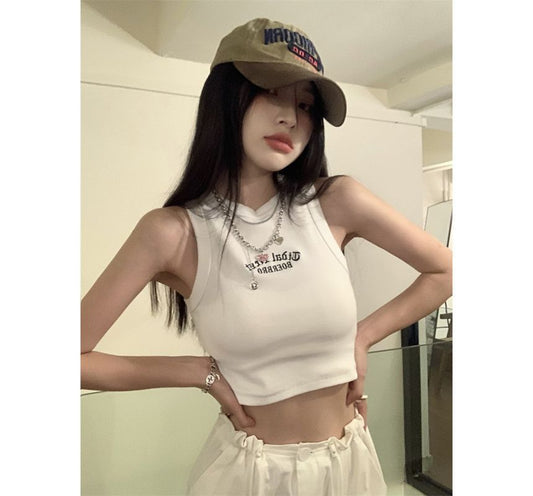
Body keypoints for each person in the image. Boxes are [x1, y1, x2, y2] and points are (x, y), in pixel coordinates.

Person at [81, 18, 452, 496]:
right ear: (225, 97)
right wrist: (196, 372)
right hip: (250, 475)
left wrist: (363, 336)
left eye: (305, 105)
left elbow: (444, 270)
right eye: (272, 92)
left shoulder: (336, 201)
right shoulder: (173, 232)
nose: (291, 119)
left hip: (350, 463)